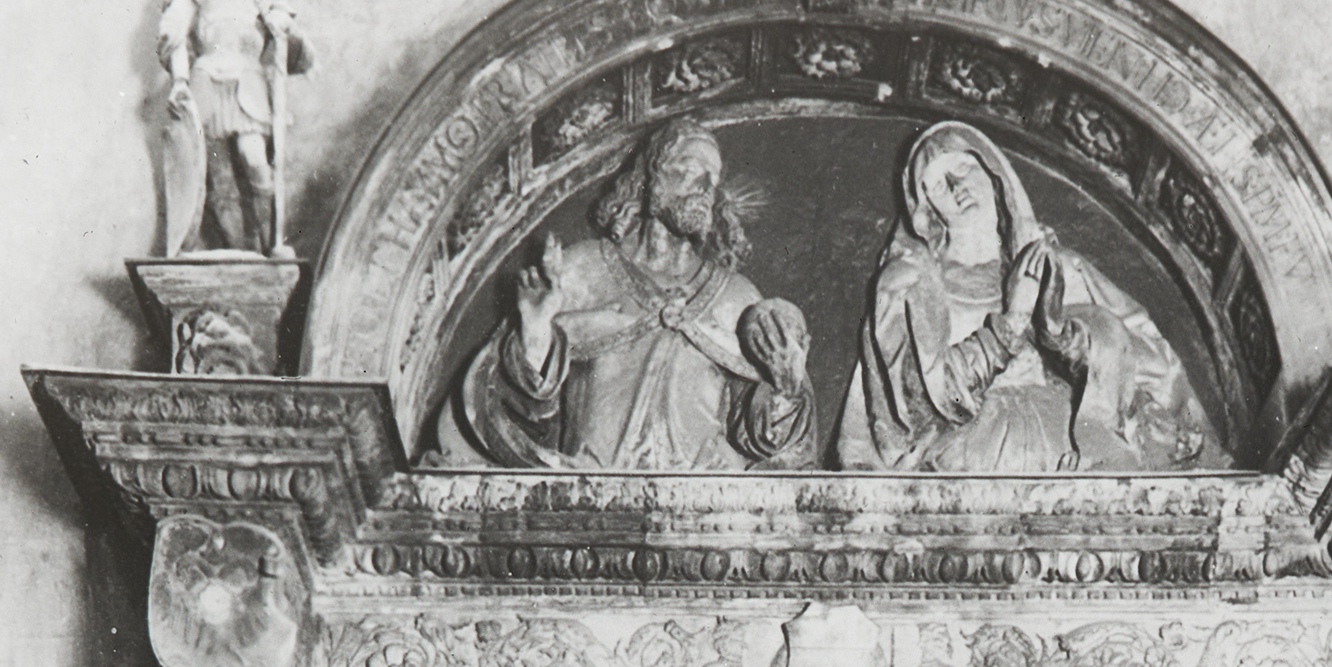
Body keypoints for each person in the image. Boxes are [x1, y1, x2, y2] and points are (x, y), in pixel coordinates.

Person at [439, 121, 815, 471]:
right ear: (652, 176)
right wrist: (536, 334)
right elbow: (505, 408)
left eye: (713, 179)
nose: (704, 186)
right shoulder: (583, 270)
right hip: (594, 494)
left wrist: (786, 386)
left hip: (704, 500)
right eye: (689, 168)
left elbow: (775, 447)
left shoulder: (737, 297)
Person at [838, 121, 1208, 474]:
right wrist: (1010, 326)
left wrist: (1062, 334)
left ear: (993, 173)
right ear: (926, 209)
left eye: (964, 167)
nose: (955, 186)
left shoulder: (1057, 268)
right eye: (935, 185)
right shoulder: (912, 286)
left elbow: (1150, 370)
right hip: (968, 459)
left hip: (1069, 450)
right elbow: (915, 407)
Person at [157, 0, 311, 257]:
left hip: (248, 84)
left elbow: (295, 46)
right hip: (206, 83)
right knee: (217, 177)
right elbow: (174, 32)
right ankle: (236, 250)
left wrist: (283, 26)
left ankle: (266, 244)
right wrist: (179, 80)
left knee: (255, 160)